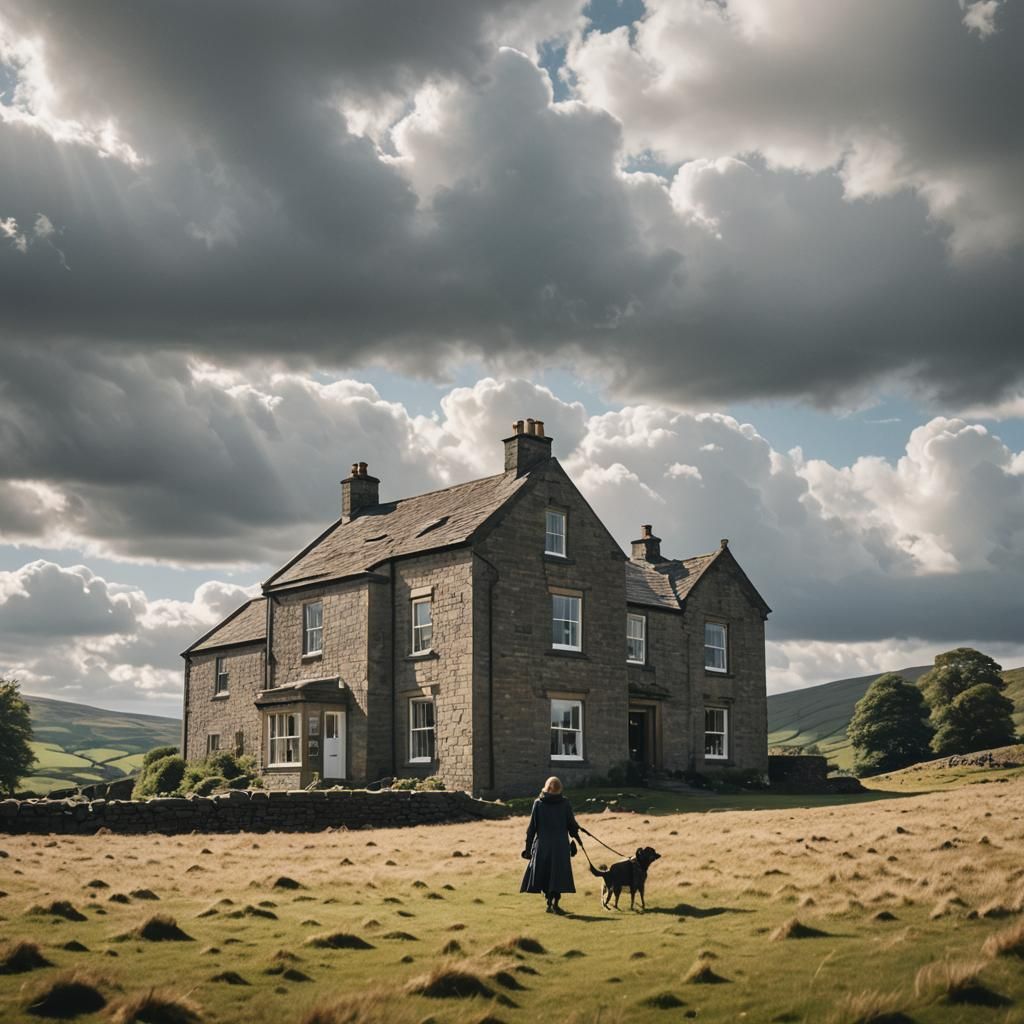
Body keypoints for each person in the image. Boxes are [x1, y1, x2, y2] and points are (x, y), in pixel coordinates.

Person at [520, 776, 581, 914]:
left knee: (546, 875)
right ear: (559, 789)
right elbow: (571, 825)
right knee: (558, 876)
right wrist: (577, 838)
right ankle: (555, 903)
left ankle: (548, 902)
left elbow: (532, 829)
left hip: (543, 847)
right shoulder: (565, 803)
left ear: (546, 788)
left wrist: (527, 849)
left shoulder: (538, 804)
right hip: (560, 846)